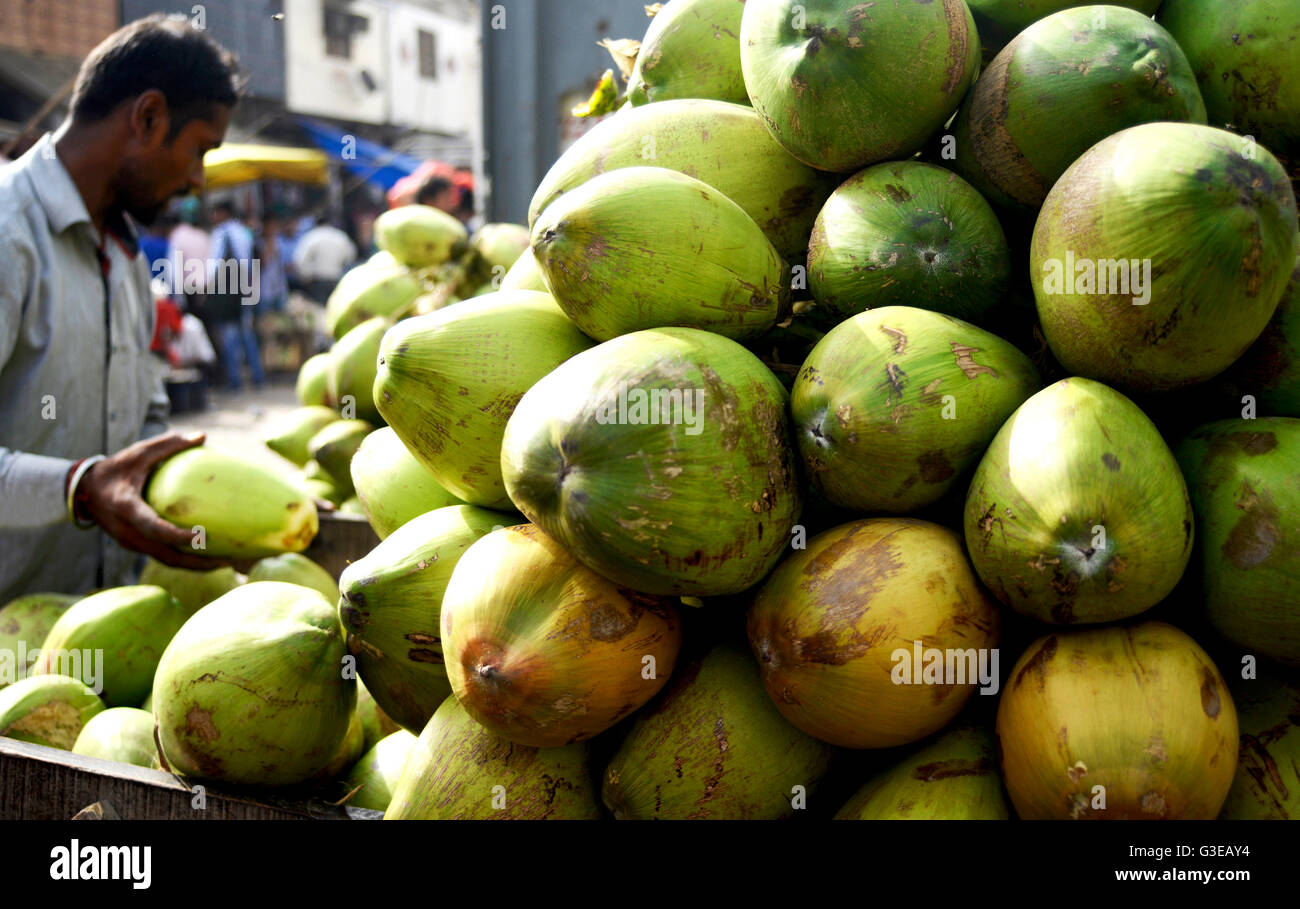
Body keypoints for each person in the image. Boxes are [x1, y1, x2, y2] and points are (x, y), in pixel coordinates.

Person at [0, 15, 247, 603]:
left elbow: (145, 426)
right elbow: (99, 483)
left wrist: (247, 501)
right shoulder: (9, 235)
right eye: (200, 151)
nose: (197, 180)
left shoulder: (128, 260)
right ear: (149, 117)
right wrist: (80, 490)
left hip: (104, 640)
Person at [207, 200, 265, 390]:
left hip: (228, 290)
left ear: (223, 213)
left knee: (230, 335)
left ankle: (235, 381)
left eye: (216, 213)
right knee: (247, 333)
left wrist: (208, 286)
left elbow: (214, 265)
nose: (213, 217)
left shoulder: (221, 234)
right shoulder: (244, 232)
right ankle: (257, 377)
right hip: (246, 286)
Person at [292, 214, 357, 304]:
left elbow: (300, 261)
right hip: (336, 278)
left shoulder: (311, 237)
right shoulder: (340, 236)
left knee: (320, 311)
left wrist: (305, 277)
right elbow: (351, 255)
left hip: (318, 281)